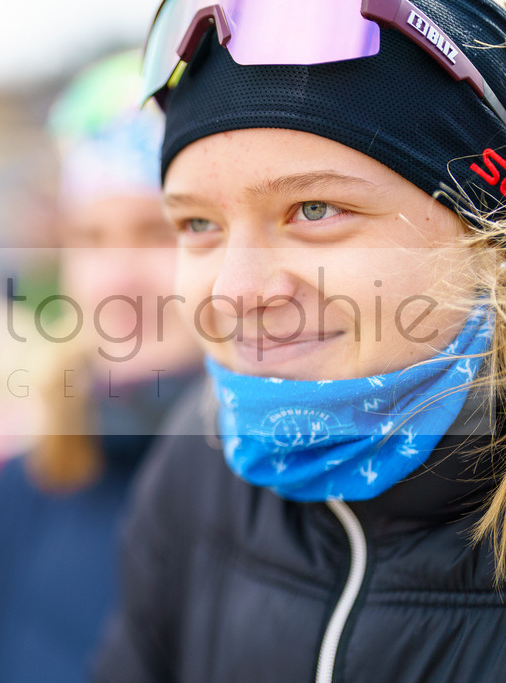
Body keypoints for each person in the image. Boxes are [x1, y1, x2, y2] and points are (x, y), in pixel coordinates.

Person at [94, 1, 506, 681]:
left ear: (485, 233)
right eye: (197, 224)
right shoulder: (196, 462)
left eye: (314, 210)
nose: (235, 290)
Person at [0, 51, 201, 683]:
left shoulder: (300, 502)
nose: (118, 279)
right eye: (91, 238)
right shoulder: (28, 489)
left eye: (160, 231)